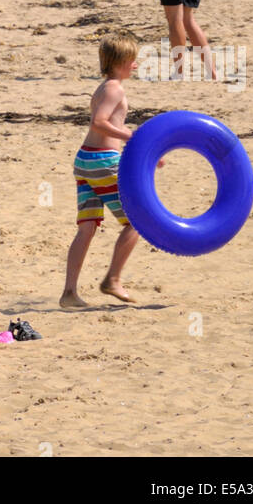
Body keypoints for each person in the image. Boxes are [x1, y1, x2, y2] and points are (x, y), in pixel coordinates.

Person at [60, 31, 163, 309]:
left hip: (86, 161)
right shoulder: (114, 89)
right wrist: (134, 138)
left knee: (87, 228)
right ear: (120, 60)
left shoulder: (104, 87)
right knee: (138, 221)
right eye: (132, 59)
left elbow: (105, 126)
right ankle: (113, 279)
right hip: (103, 162)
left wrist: (144, 151)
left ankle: (69, 293)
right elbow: (99, 122)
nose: (136, 64)